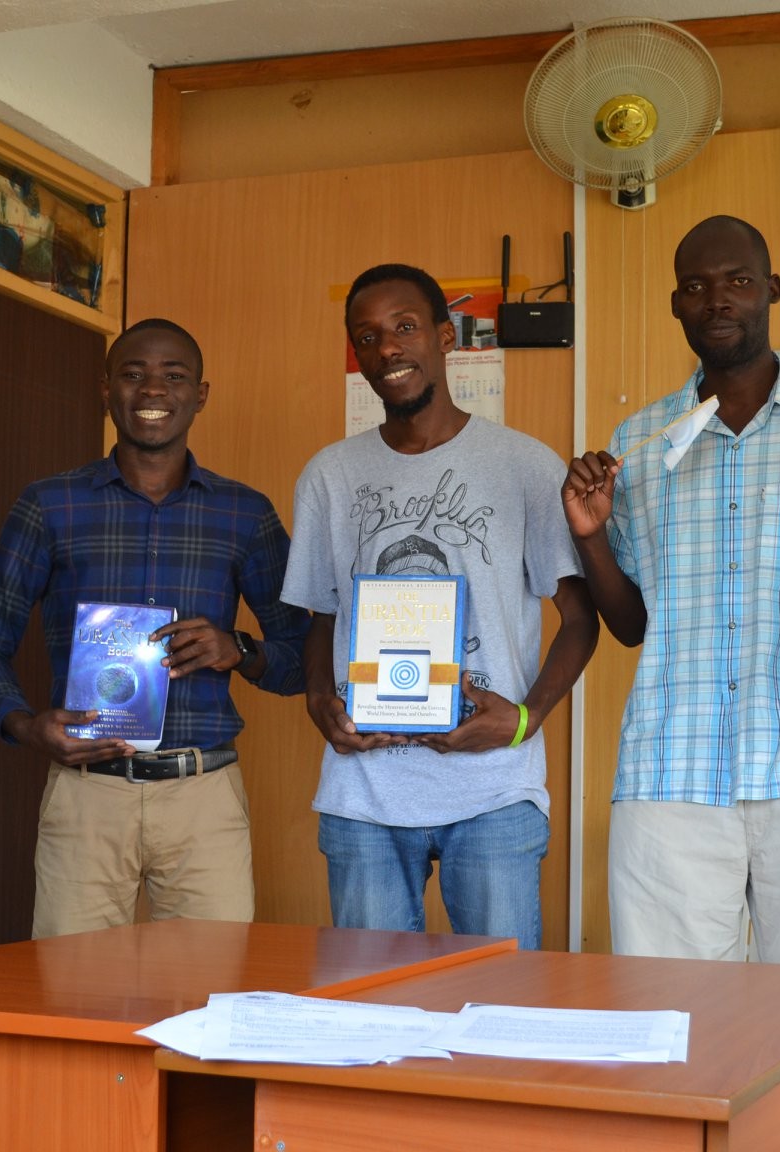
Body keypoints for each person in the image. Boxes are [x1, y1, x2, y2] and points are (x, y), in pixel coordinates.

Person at [562, 215, 780, 966]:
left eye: (738, 281)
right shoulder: (638, 445)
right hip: (670, 774)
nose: (717, 300)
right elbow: (631, 625)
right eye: (696, 286)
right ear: (675, 305)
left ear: (771, 290)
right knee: (672, 1019)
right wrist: (590, 537)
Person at [282, 263, 598, 952]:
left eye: (404, 327)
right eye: (368, 337)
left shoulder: (525, 466)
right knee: (370, 1001)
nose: (388, 348)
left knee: (500, 1002)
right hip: (365, 789)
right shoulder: (329, 476)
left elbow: (580, 621)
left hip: (493, 791)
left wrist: (525, 719)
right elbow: (322, 616)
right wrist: (317, 701)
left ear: (445, 335)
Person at [0, 317, 308, 937]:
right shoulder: (50, 505)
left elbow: (301, 659)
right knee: (72, 986)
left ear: (200, 395)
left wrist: (237, 648)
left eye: (174, 376)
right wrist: (27, 726)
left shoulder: (244, 513)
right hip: (86, 795)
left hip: (203, 796)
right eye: (133, 374)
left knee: (209, 988)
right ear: (106, 390)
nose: (152, 390)